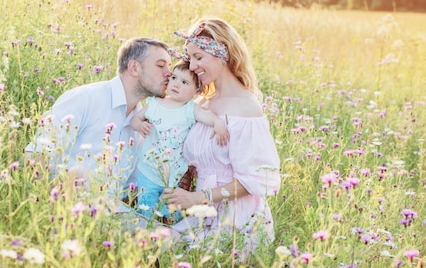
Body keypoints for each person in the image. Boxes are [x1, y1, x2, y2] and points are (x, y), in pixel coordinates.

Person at [161, 17, 281, 255]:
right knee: (156, 243)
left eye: (198, 57)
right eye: (189, 58)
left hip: (237, 219)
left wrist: (198, 197)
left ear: (222, 53)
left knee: (181, 258)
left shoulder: (246, 109)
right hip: (201, 212)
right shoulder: (202, 102)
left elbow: (255, 180)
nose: (192, 66)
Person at [24, 37, 172, 201]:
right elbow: (36, 154)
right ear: (134, 68)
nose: (169, 73)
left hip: (113, 214)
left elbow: (132, 189)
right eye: (160, 65)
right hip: (65, 209)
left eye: (169, 66)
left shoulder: (143, 123)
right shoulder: (85, 98)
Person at [130, 61, 229, 223]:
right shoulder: (155, 103)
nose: (176, 84)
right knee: (145, 209)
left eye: (184, 82)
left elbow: (207, 116)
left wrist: (218, 123)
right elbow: (134, 119)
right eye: (174, 78)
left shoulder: (190, 109)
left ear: (196, 91)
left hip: (173, 175)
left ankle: (169, 233)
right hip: (148, 170)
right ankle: (145, 234)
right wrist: (140, 125)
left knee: (171, 212)